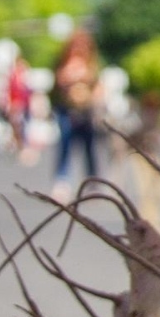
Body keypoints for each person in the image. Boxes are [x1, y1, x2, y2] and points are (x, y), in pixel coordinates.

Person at [50, 31, 102, 197]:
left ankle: (92, 182)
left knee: (89, 146)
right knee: (65, 144)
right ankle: (62, 180)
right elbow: (58, 83)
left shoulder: (91, 64)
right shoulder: (64, 64)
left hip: (86, 111)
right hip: (67, 109)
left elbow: (98, 86)